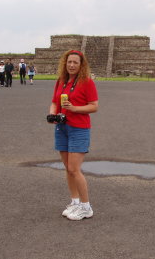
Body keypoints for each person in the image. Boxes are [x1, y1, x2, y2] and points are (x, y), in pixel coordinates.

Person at [49, 50, 98, 221]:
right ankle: (75, 202)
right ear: (65, 63)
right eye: (69, 62)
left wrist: (75, 109)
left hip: (79, 128)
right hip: (62, 128)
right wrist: (53, 115)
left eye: (75, 62)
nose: (71, 65)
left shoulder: (87, 82)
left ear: (81, 65)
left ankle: (86, 207)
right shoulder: (61, 81)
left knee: (74, 169)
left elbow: (94, 106)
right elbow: (55, 101)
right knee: (68, 170)